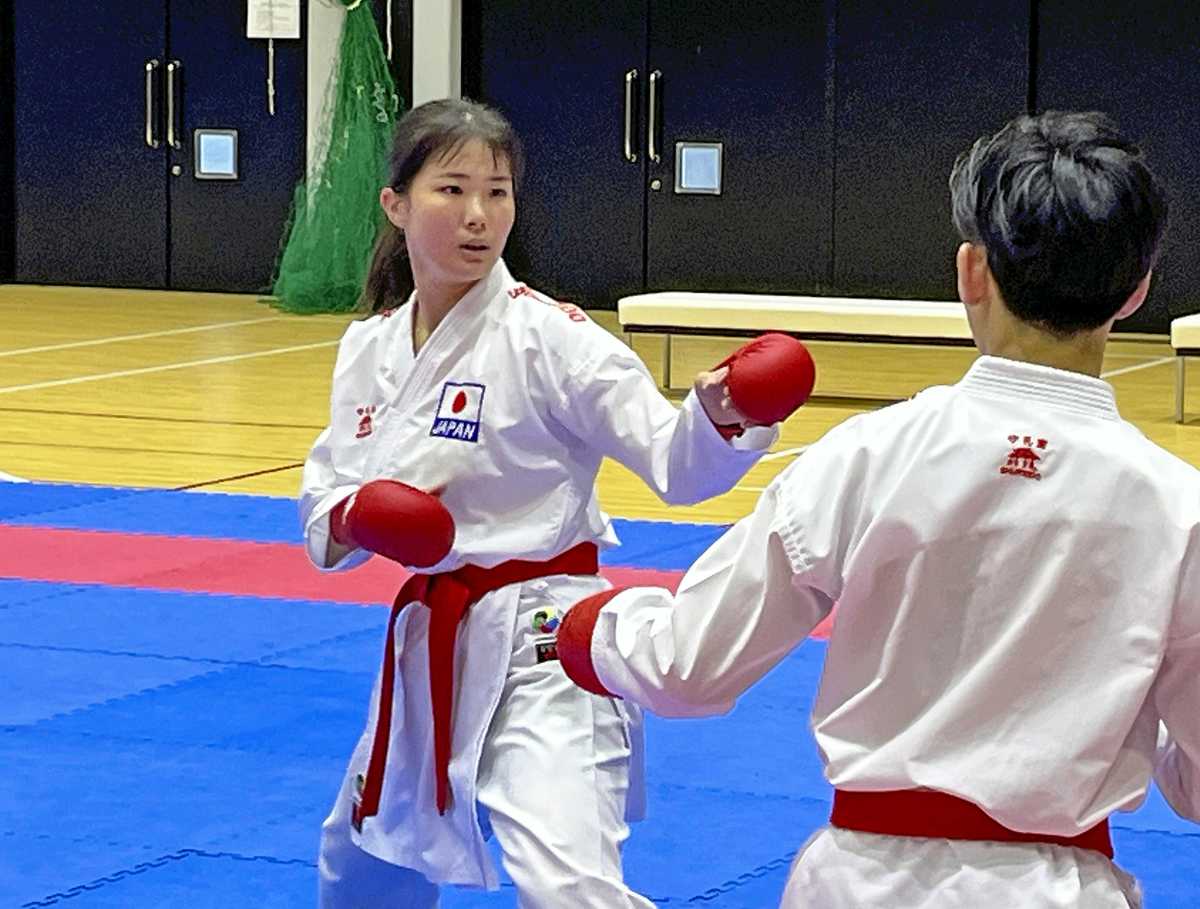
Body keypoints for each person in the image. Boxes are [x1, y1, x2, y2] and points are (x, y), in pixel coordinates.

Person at [555, 110, 1199, 908]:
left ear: (971, 271)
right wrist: (1132, 716)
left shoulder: (867, 454)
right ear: (1138, 289)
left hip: (860, 884)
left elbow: (689, 665)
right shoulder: (1179, 509)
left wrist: (589, 630)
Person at [300, 97, 813, 908]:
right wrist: (356, 516)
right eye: (452, 190)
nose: (478, 215)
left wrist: (722, 415)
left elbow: (675, 464)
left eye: (497, 192)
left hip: (548, 639)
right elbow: (326, 498)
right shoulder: (370, 347)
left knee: (566, 885)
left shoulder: (553, 338)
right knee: (360, 863)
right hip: (433, 637)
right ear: (396, 204)